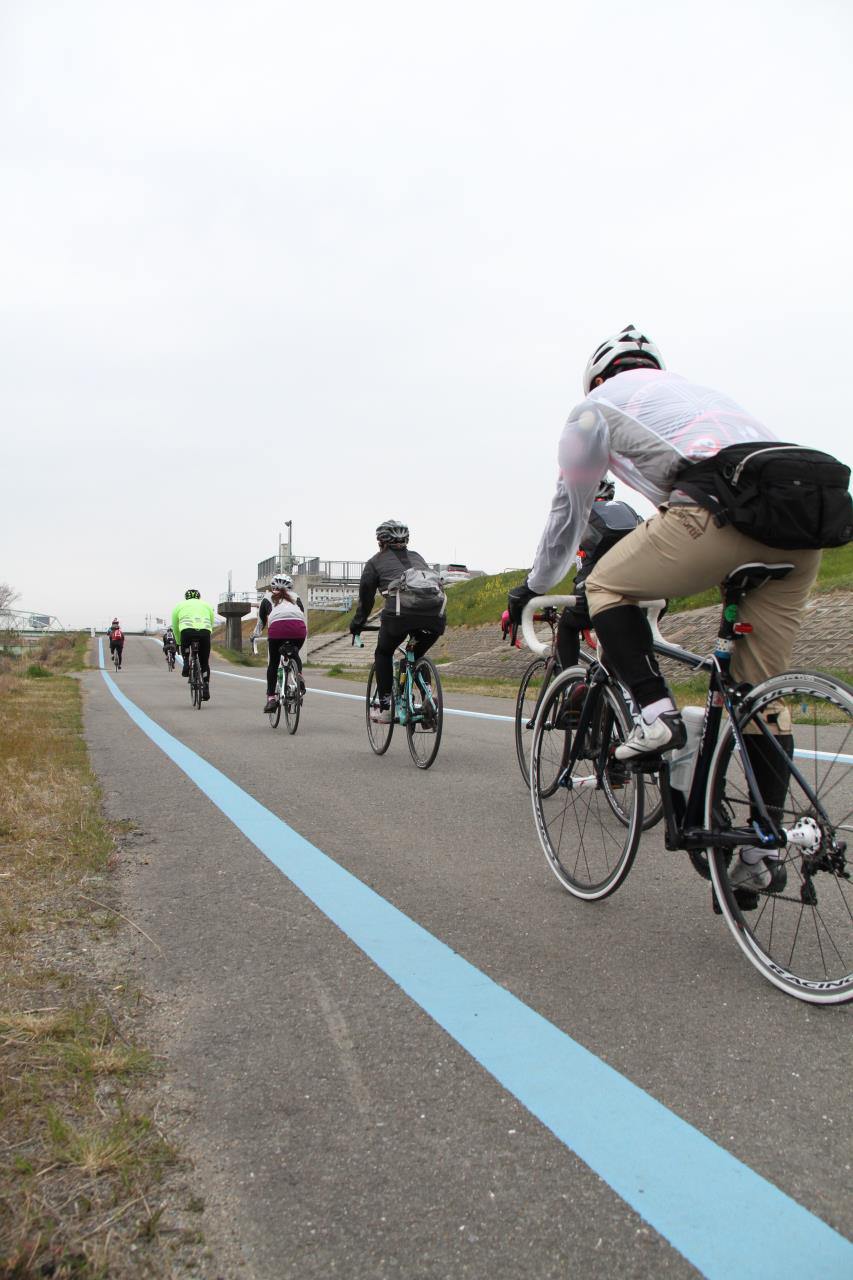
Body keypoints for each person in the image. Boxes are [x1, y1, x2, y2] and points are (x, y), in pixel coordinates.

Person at [507, 323, 826, 898]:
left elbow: (568, 520)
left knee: (603, 586)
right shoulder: (699, 397)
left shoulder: (593, 408)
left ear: (599, 378)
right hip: (802, 532)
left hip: (716, 511)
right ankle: (756, 845)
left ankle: (658, 716)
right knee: (761, 703)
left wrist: (529, 588)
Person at [349, 520, 446, 723]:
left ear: (380, 541)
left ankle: (385, 705)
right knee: (414, 655)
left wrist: (358, 624)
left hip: (400, 616)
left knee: (383, 652)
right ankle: (428, 695)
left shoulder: (375, 563)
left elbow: (366, 601)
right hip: (435, 616)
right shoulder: (417, 557)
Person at [254, 573, 308, 713]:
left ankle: (271, 698)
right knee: (294, 653)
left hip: (277, 630)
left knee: (273, 663)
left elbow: (261, 622)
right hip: (298, 629)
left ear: (273, 587)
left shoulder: (267, 598)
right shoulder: (296, 597)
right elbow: (300, 613)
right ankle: (299, 677)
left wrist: (255, 635)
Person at [171, 589, 215, 700]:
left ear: (186, 597)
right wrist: (208, 632)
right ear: (199, 597)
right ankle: (205, 687)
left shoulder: (179, 606)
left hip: (187, 631)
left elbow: (175, 627)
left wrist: (178, 642)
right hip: (204, 631)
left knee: (185, 647)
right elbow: (211, 621)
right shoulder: (207, 605)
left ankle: (186, 663)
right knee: (204, 662)